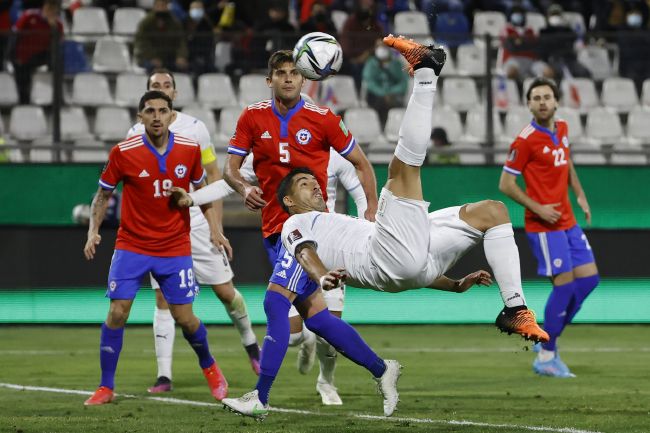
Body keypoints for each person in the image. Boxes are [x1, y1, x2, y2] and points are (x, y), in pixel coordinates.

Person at [214, 36, 547, 420]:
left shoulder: (328, 211)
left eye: (315, 183)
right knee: (403, 168)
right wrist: (322, 276)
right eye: (304, 185)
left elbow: (412, 267)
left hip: (407, 259)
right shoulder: (297, 223)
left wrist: (454, 284)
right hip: (388, 255)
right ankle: (425, 74)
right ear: (288, 201)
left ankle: (514, 308)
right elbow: (305, 251)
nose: (316, 187)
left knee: (493, 212)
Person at [217, 49, 384, 419]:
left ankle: (260, 397)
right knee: (319, 322)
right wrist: (244, 188)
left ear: (305, 79)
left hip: (311, 230)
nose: (288, 78)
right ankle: (383, 370)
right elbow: (229, 168)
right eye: (281, 73)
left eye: (295, 72)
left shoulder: (323, 119)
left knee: (275, 304)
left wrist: (370, 208)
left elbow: (361, 163)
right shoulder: (252, 117)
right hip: (274, 230)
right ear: (269, 79)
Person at [174, 147, 368, 406]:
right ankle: (304, 345)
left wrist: (365, 224)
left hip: (330, 247)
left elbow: (358, 189)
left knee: (329, 331)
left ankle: (326, 382)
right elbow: (228, 184)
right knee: (295, 333)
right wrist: (192, 198)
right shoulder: (268, 152)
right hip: (289, 245)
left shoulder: (331, 154)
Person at [82, 90, 228, 406]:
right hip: (132, 245)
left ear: (171, 114)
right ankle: (106, 387)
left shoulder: (189, 150)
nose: (157, 116)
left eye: (163, 110)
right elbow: (103, 195)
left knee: (186, 318)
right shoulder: (124, 152)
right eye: (150, 111)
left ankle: (211, 368)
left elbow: (201, 194)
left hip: (175, 246)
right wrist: (94, 231)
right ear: (141, 117)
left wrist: (215, 231)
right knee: (117, 312)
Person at [126, 69, 260, 394]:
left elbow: (213, 178)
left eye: (167, 85)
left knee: (226, 293)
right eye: (155, 87)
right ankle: (164, 375)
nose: (161, 90)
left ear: (176, 93)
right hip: (161, 232)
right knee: (163, 301)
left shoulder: (196, 129)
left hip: (197, 225)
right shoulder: (134, 133)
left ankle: (252, 346)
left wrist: (217, 228)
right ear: (146, 97)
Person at [499, 77, 599, 378]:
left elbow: (566, 162)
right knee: (564, 286)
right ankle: (546, 354)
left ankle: (548, 340)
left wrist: (579, 193)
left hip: (567, 220)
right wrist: (538, 207)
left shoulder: (563, 129)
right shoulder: (525, 140)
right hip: (544, 226)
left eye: (547, 97)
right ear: (529, 104)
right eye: (536, 98)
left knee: (589, 281)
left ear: (556, 102)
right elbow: (505, 184)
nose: (542, 102)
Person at [10, 0, 63, 104]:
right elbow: (15, 35)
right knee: (22, 73)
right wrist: (14, 55)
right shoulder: (29, 16)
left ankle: (57, 99)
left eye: (54, 8)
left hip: (42, 55)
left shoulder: (58, 25)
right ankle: (24, 102)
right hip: (23, 55)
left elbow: (57, 45)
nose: (51, 10)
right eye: (49, 6)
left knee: (58, 61)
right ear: (44, 6)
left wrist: (53, 27)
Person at [362, 38, 408, 125]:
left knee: (397, 102)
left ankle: (396, 127)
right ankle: (381, 127)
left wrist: (391, 92)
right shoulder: (371, 64)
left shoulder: (397, 63)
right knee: (381, 102)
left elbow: (403, 83)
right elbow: (370, 83)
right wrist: (383, 93)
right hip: (376, 95)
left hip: (394, 95)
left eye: (383, 46)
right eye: (378, 46)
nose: (381, 49)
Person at [499, 5, 552, 81]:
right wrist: (526, 43)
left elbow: (536, 46)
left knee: (548, 72)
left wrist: (520, 42)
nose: (518, 16)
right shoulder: (506, 29)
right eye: (515, 14)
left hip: (531, 60)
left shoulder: (530, 30)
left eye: (519, 14)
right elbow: (511, 47)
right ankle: (518, 91)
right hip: (513, 59)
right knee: (511, 72)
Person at [134, 0, 188, 73]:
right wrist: (152, 57)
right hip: (148, 57)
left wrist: (181, 56)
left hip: (169, 57)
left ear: (167, 7)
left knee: (183, 67)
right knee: (151, 67)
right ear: (154, 7)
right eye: (158, 6)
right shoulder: (146, 22)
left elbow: (181, 42)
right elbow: (141, 42)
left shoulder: (175, 22)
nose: (161, 8)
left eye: (163, 5)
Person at [183, 1, 215, 77]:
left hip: (204, 57)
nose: (197, 10)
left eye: (199, 8)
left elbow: (210, 43)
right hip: (188, 56)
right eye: (195, 8)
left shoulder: (207, 25)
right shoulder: (184, 23)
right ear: (190, 10)